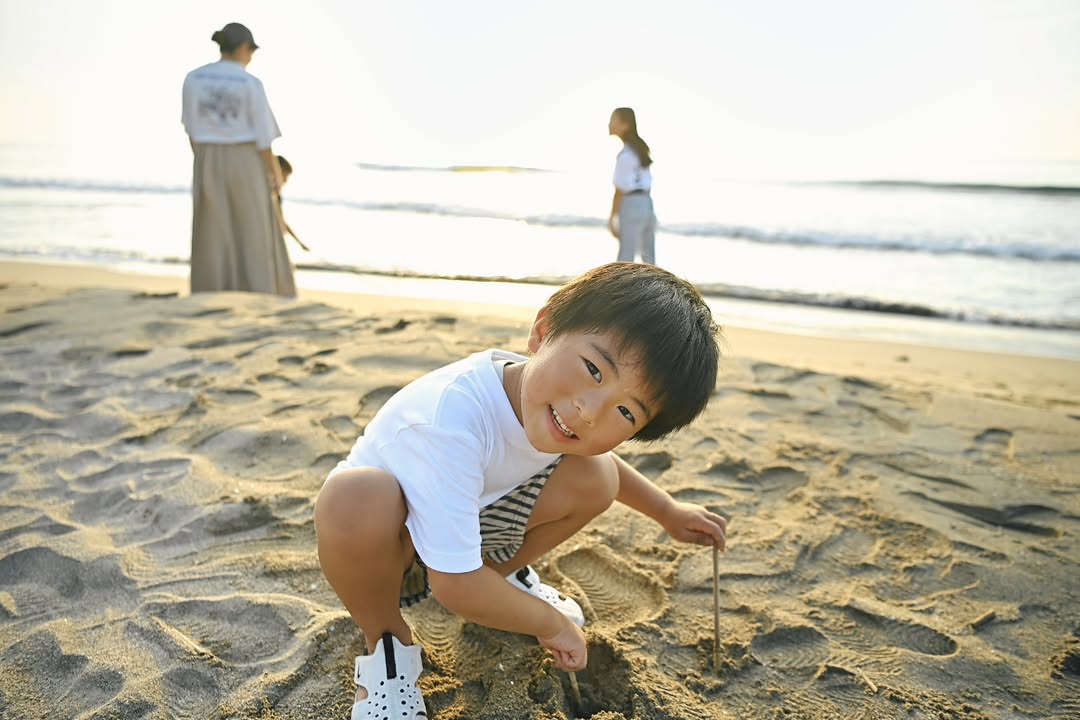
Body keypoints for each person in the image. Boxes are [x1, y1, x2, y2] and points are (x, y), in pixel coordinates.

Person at [315, 262, 728, 719]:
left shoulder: (545, 403)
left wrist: (667, 511)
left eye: (627, 412)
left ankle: (498, 578)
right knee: (354, 498)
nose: (590, 411)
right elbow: (454, 587)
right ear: (543, 330)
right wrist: (551, 625)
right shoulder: (453, 418)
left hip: (470, 528)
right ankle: (386, 645)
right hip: (390, 548)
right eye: (593, 369)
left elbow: (609, 467)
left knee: (598, 477)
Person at [181, 22, 296, 297]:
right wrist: (274, 175)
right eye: (251, 51)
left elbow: (191, 129)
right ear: (244, 47)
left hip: (207, 157)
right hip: (246, 158)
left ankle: (210, 289)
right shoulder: (249, 83)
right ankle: (259, 290)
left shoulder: (194, 78)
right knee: (254, 227)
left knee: (211, 229)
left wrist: (204, 161)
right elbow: (263, 138)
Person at [607, 107, 657, 265]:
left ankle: (621, 283)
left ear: (625, 125)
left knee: (625, 258)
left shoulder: (625, 155)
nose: (609, 124)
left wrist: (613, 216)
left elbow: (620, 189)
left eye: (613, 120)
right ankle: (654, 282)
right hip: (647, 202)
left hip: (631, 203)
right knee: (649, 258)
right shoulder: (641, 150)